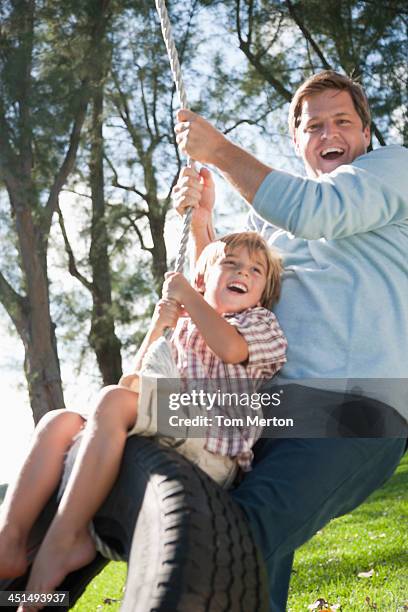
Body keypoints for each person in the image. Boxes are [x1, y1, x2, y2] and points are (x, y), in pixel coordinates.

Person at [173, 70, 408, 610]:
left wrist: (219, 151)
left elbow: (316, 210)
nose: (329, 134)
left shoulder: (391, 171)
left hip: (354, 407)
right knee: (114, 422)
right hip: (262, 412)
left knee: (234, 539)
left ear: (366, 134)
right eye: (313, 126)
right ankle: (42, 565)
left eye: (342, 122)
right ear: (298, 142)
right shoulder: (272, 234)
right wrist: (204, 223)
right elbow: (224, 303)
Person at [0, 231, 286, 610]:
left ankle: (65, 537)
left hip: (214, 437)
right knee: (60, 422)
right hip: (172, 425)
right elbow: (134, 382)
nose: (243, 273)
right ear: (203, 278)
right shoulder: (183, 326)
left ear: (264, 291)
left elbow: (231, 349)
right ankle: (11, 541)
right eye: (230, 263)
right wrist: (158, 326)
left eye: (255, 270)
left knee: (113, 402)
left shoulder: (260, 323)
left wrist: (189, 299)